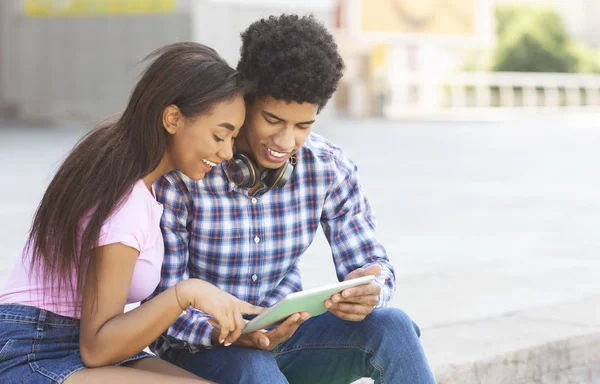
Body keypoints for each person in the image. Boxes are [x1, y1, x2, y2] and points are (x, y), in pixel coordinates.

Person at [150, 15, 436, 384]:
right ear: (245, 102)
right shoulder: (187, 174)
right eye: (273, 120)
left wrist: (371, 288)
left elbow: (372, 261)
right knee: (254, 368)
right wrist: (235, 333)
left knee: (393, 326)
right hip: (202, 348)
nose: (285, 142)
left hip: (290, 337)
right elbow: (162, 305)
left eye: (303, 126)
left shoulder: (328, 168)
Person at [0, 42, 262, 384]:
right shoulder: (125, 200)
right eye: (219, 135)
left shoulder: (126, 169)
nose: (227, 152)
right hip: (35, 347)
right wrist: (187, 293)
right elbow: (96, 348)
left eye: (233, 138)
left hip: (71, 339)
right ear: (172, 118)